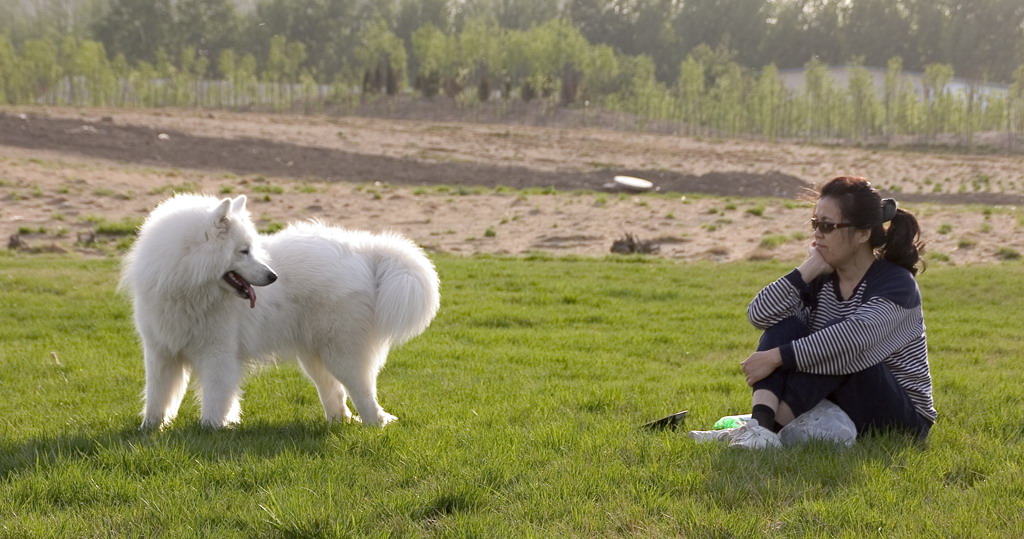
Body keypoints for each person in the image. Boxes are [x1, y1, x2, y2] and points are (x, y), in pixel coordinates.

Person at [689, 176, 936, 448]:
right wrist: (808, 268)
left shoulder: (896, 283)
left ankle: (765, 430)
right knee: (785, 325)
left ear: (863, 233)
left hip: (903, 419)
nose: (817, 233)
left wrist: (775, 357)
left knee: (839, 343)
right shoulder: (820, 276)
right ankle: (759, 429)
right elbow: (758, 315)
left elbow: (853, 339)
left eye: (828, 226)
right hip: (839, 397)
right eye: (815, 224)